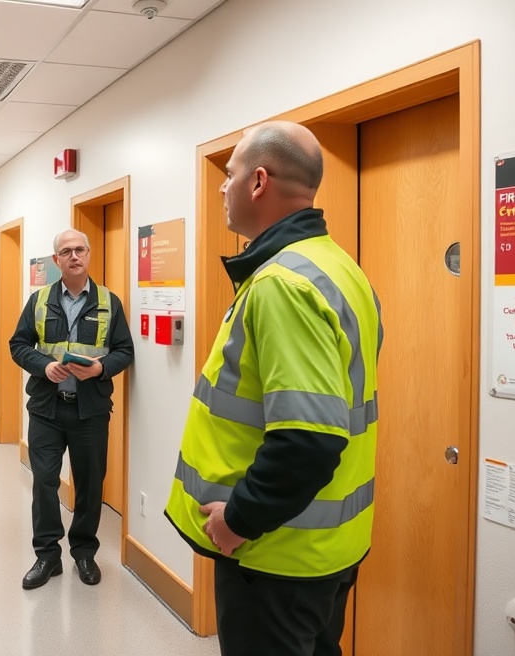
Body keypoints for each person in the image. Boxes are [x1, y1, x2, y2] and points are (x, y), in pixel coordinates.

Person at [165, 121, 382, 656]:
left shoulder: (282, 284)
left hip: (274, 556)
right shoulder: (340, 268)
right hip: (328, 548)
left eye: (231, 173)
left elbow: (308, 437)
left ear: (258, 181)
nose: (222, 187)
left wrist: (240, 520)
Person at [9, 229, 134, 590]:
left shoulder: (110, 303)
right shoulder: (39, 300)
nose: (74, 256)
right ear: (56, 260)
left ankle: (83, 551)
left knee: (90, 484)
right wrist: (42, 366)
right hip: (47, 410)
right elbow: (18, 345)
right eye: (66, 251)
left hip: (90, 411)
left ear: (89, 254)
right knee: (45, 481)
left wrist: (100, 368)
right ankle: (47, 555)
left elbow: (124, 350)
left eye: (80, 249)